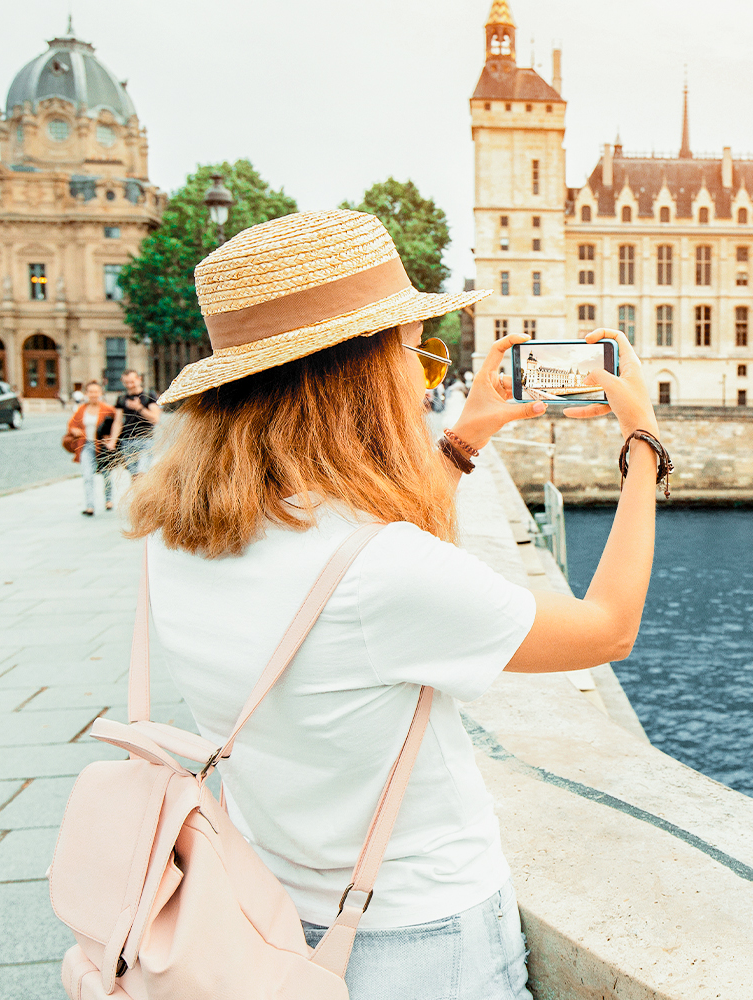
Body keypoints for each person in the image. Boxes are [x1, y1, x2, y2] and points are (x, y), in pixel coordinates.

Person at [124, 210, 662, 1000]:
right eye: (419, 350)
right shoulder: (381, 573)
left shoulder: (171, 540)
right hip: (419, 939)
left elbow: (359, 559)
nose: (427, 375)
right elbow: (608, 629)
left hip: (262, 905)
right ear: (361, 373)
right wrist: (644, 443)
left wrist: (465, 439)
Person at [63, 380, 118, 515]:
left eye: (96, 391)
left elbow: (116, 426)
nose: (93, 394)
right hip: (86, 445)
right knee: (87, 475)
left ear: (100, 393)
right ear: (86, 393)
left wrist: (111, 441)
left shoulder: (108, 409)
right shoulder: (82, 409)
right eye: (90, 392)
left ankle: (109, 500)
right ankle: (90, 506)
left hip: (102, 446)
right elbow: (71, 424)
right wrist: (75, 430)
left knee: (106, 474)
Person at [105, 369, 161, 477]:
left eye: (132, 382)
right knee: (134, 476)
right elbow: (118, 422)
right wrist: (113, 441)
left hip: (145, 439)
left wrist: (139, 408)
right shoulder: (121, 399)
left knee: (142, 473)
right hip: (127, 440)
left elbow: (155, 418)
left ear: (139, 379)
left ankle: (144, 493)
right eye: (126, 383)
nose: (129, 385)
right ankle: (138, 494)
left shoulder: (149, 396)